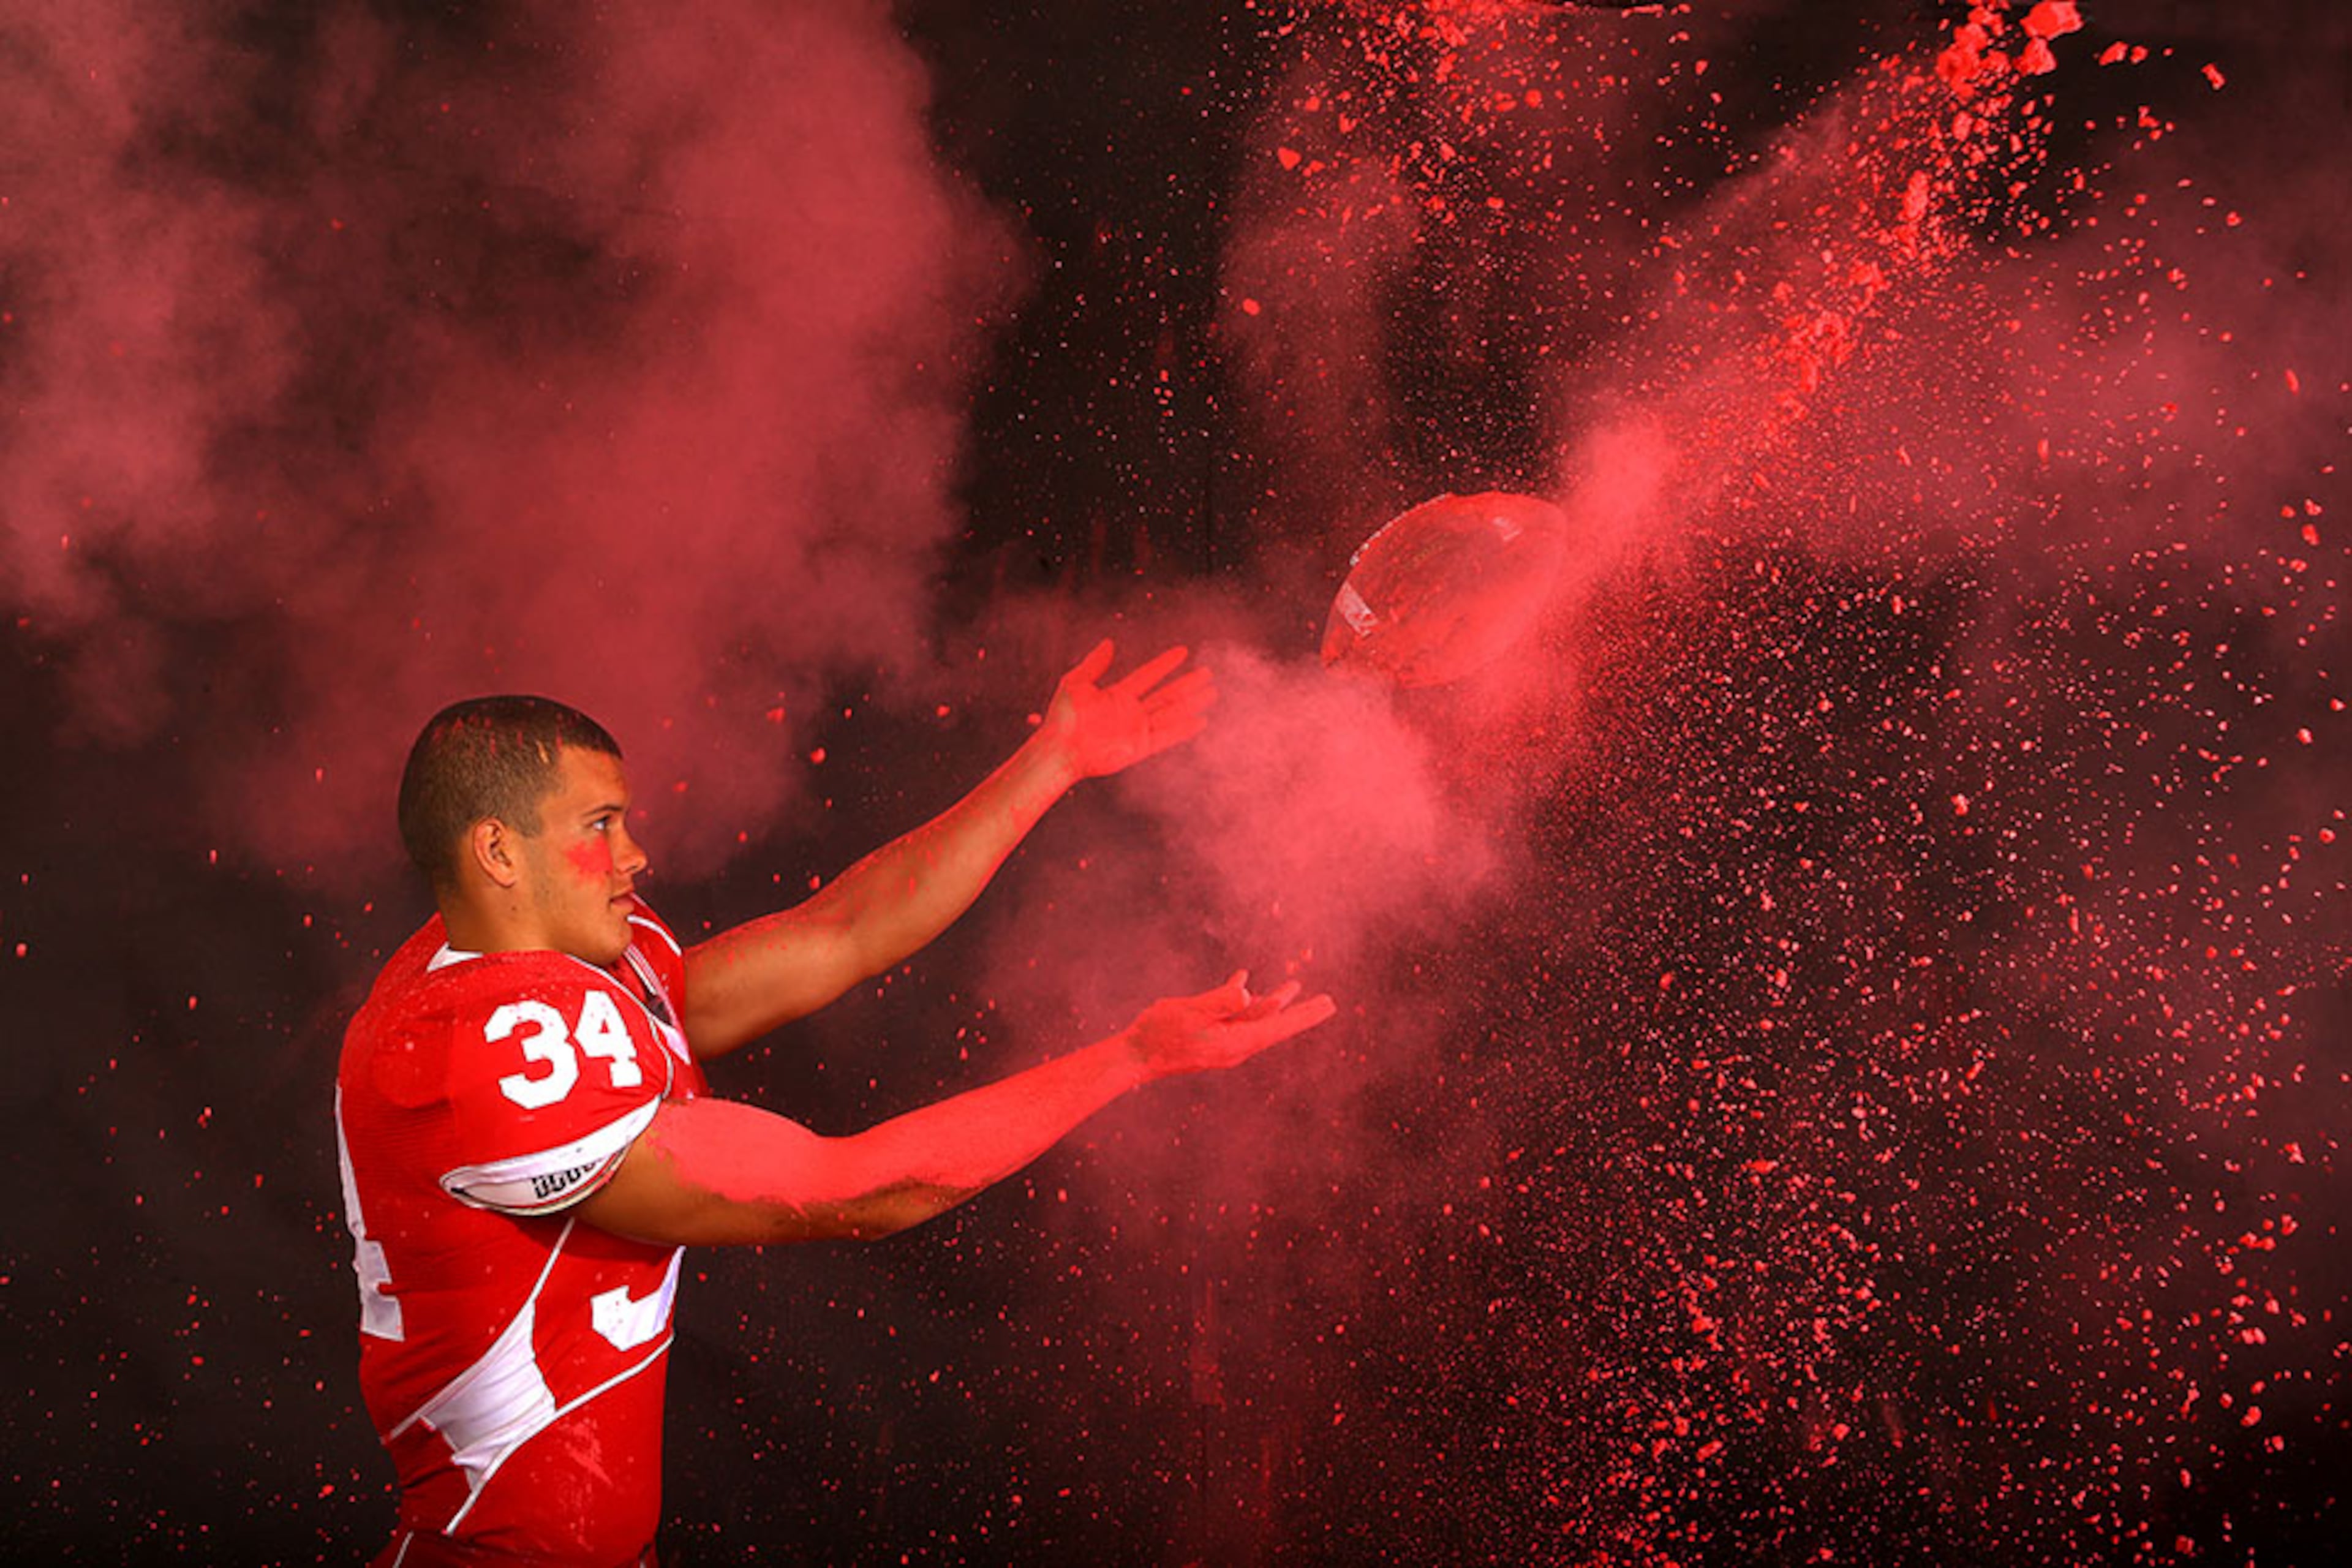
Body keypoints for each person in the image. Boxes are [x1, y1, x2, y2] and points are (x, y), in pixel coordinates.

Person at [333, 642, 1335, 1566]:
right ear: (500, 854)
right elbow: (854, 1188)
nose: (637, 856)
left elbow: (841, 933)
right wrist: (1131, 1059)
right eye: (600, 826)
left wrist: (1054, 762)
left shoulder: (571, 960)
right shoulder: (469, 1047)